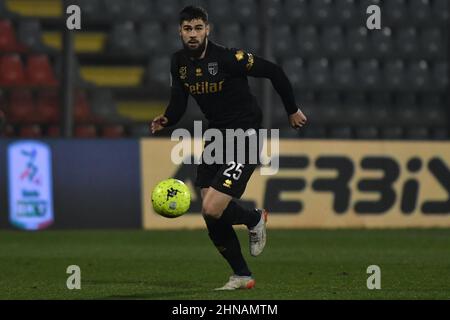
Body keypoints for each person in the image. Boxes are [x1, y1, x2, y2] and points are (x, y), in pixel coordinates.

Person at [151, 5, 307, 290]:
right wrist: (167, 119)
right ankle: (242, 272)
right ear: (180, 31)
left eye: (198, 28)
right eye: (188, 29)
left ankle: (254, 220)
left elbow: (274, 71)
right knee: (211, 212)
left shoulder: (229, 58)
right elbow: (179, 100)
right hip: (215, 135)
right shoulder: (179, 63)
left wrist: (292, 110)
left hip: (245, 134)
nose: (193, 34)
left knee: (212, 208)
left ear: (207, 29)